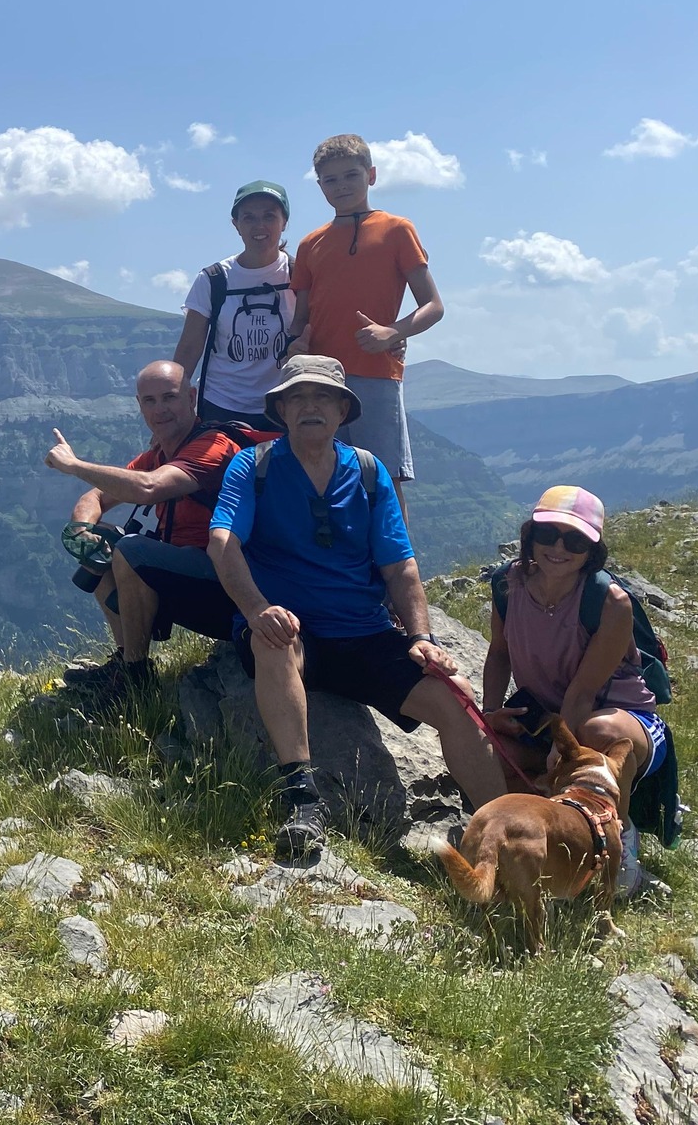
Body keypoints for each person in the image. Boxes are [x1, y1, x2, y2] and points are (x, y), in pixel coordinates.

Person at [208, 354, 506, 858]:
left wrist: (421, 639)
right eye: (297, 397)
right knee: (273, 642)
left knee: (452, 698)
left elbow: (400, 567)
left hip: (366, 634)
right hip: (295, 631)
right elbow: (222, 542)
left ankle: (508, 829)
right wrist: (258, 609)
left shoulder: (368, 473)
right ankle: (302, 799)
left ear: (343, 410)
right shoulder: (252, 466)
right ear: (279, 410)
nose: (310, 407)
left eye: (322, 396)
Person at [482, 485, 673, 889]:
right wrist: (491, 713)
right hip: (547, 714)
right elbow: (499, 654)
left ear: (593, 549)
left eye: (575, 539)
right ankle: (547, 845)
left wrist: (559, 748)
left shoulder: (609, 602)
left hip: (620, 717)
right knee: (486, 753)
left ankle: (618, 841)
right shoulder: (507, 585)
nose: (558, 547)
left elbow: (583, 693)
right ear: (530, 537)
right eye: (548, 534)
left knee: (595, 732)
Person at [45, 360, 265, 709]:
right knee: (105, 540)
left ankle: (134, 681)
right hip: (195, 578)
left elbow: (149, 488)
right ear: (139, 405)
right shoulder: (159, 453)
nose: (160, 409)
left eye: (169, 398)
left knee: (132, 552)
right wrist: (84, 531)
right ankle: (126, 660)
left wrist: (74, 466)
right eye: (150, 401)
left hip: (234, 587)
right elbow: (98, 496)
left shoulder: (213, 446)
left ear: (191, 398)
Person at [284, 134, 443, 511]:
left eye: (350, 176)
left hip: (376, 373)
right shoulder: (310, 244)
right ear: (319, 185)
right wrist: (293, 345)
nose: (341, 187)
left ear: (371, 175)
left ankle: (399, 567)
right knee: (322, 477)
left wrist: (394, 332)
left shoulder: (397, 229)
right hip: (320, 378)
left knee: (383, 480)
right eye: (330, 180)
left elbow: (434, 305)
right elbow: (300, 318)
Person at [172, 180, 294, 430]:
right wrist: (173, 409)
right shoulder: (213, 279)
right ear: (236, 225)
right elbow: (188, 349)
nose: (259, 226)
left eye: (269, 216)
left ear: (284, 222)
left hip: (285, 406)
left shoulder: (301, 274)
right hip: (222, 407)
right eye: (248, 217)